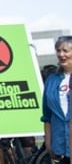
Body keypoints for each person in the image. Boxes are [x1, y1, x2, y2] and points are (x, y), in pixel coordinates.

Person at [42, 35, 72, 164]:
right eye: (58, 50)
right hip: (59, 146)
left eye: (66, 51)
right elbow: (47, 115)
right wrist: (49, 143)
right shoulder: (52, 80)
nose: (61, 54)